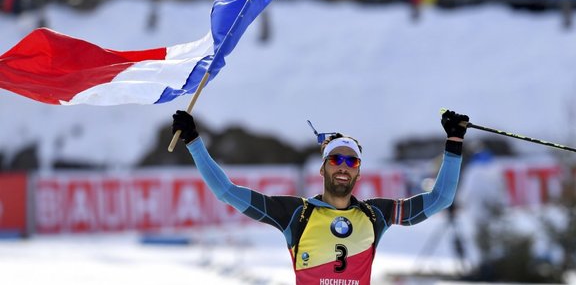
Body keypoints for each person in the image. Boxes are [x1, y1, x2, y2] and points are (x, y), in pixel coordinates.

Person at [172, 109, 469, 284]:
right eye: (336, 160)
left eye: (351, 161)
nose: (343, 167)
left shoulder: (375, 215)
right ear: (323, 167)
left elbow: (440, 198)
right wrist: (194, 141)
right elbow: (227, 192)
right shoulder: (295, 213)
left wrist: (454, 142)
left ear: (359, 173)